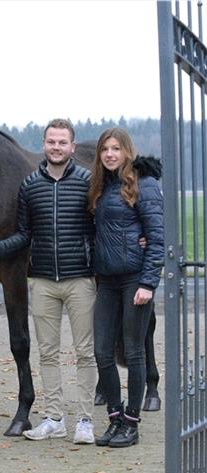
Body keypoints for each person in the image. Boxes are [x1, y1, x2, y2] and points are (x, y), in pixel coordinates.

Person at [0, 119, 98, 444]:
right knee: (47, 352)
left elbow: (103, 227)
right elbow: (23, 235)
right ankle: (55, 418)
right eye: (51, 142)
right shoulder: (30, 186)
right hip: (43, 281)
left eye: (62, 142)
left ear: (72, 147)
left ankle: (85, 419)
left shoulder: (88, 182)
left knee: (85, 352)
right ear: (44, 145)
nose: (56, 147)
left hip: (80, 280)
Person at [88, 128, 163, 448]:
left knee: (133, 352)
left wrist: (148, 282)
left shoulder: (143, 185)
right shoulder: (101, 187)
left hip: (135, 280)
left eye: (116, 148)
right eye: (105, 149)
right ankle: (115, 417)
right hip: (107, 281)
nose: (110, 154)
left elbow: (158, 239)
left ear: (126, 151)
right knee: (102, 351)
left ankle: (131, 423)